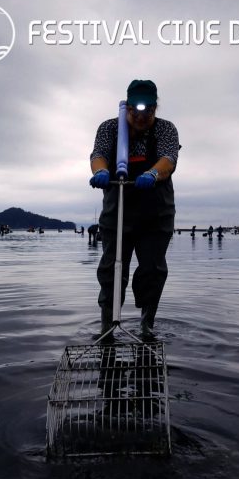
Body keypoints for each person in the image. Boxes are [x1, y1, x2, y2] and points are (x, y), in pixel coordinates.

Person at [90, 79, 180, 338]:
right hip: (117, 211)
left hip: (156, 214)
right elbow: (98, 155)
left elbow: (168, 160)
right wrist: (101, 171)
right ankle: (107, 326)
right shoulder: (109, 128)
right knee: (111, 271)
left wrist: (153, 173)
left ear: (155, 109)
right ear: (127, 107)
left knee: (153, 271)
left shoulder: (166, 130)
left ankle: (146, 326)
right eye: (135, 111)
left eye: (148, 112)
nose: (141, 117)